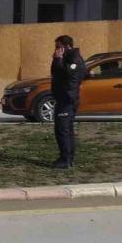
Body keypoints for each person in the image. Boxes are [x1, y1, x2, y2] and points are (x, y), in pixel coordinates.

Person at [50, 35, 86, 169]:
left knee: (63, 130)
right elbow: (56, 73)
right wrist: (56, 60)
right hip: (63, 98)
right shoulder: (67, 58)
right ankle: (67, 158)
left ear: (67, 46)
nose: (56, 50)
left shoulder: (73, 59)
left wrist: (58, 59)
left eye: (58, 47)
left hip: (67, 99)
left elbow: (66, 74)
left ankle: (66, 160)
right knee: (65, 129)